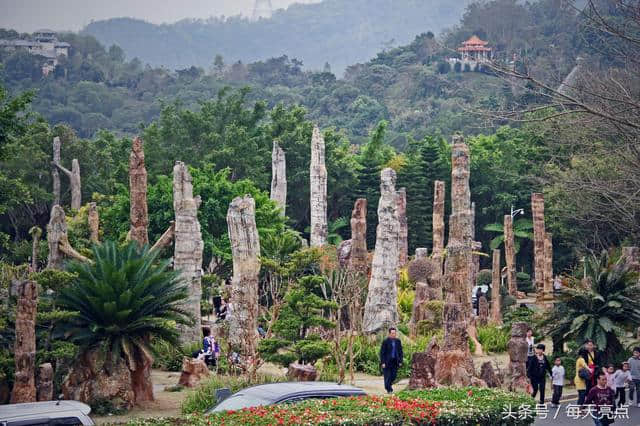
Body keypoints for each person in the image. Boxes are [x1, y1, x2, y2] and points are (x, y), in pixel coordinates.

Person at [379, 327, 403, 394]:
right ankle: (389, 389)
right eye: (392, 333)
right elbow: (382, 353)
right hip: (387, 362)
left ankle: (388, 386)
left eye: (394, 333)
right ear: (389, 334)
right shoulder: (385, 341)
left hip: (395, 361)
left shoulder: (398, 341)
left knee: (394, 376)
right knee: (388, 376)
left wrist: (400, 361)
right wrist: (383, 362)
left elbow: (400, 352)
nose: (394, 334)